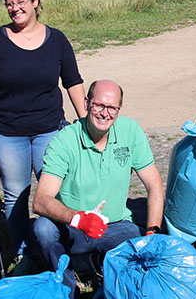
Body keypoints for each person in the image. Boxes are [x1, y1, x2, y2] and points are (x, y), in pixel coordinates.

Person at [0, 0, 88, 260]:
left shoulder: (56, 39)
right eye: (9, 4)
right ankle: (23, 253)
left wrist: (85, 123)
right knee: (16, 195)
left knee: (55, 192)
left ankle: (60, 247)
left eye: (21, 2)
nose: (15, 8)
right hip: (6, 133)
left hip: (50, 130)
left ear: (35, 2)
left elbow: (73, 82)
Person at [31, 80, 164, 297]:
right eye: (98, 105)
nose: (105, 113)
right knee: (43, 229)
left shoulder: (130, 131)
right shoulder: (64, 141)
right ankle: (65, 287)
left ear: (119, 109)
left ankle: (106, 280)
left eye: (112, 108)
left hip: (116, 224)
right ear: (86, 103)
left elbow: (155, 185)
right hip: (73, 226)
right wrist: (79, 219)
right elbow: (41, 200)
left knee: (140, 248)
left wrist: (153, 232)